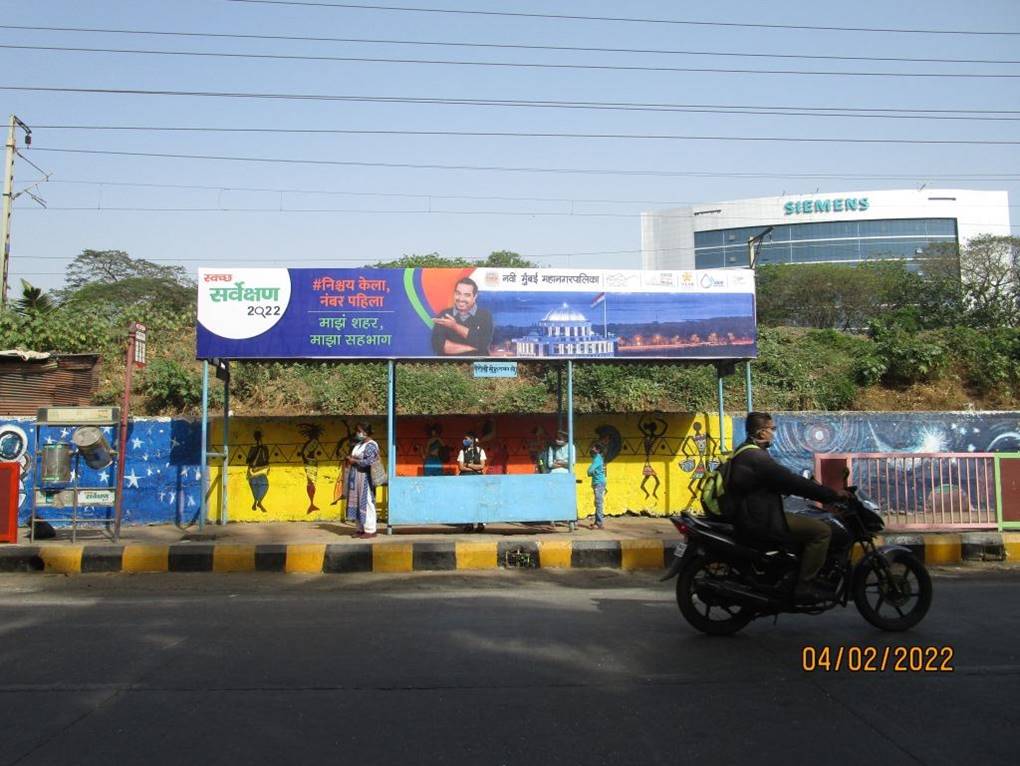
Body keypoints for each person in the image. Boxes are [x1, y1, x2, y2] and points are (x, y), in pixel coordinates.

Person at [726, 411, 852, 604]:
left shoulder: (745, 452)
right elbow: (790, 481)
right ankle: (804, 586)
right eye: (772, 429)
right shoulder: (756, 458)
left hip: (756, 513)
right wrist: (831, 495)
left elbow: (778, 482)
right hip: (762, 519)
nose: (774, 433)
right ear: (761, 433)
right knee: (822, 531)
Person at [430, 277, 494, 356]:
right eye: (458, 293)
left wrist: (455, 326)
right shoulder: (444, 315)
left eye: (467, 295)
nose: (461, 298)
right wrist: (473, 348)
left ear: (475, 297)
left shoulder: (485, 316)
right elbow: (438, 346)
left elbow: (483, 343)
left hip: (476, 366)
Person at [343, 422, 382, 539]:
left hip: (366, 477)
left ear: (365, 432)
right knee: (357, 502)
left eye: (359, 431)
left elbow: (370, 461)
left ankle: (370, 530)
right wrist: (350, 459)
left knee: (367, 502)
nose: (357, 433)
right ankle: (360, 529)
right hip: (356, 476)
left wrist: (354, 461)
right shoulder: (359, 444)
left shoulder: (371, 445)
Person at [457, 432, 487, 531]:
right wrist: (474, 468)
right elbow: (461, 467)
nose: (464, 441)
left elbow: (482, 466)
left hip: (478, 479)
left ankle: (480, 523)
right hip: (466, 479)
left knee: (479, 501)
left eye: (467, 439)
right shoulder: (462, 452)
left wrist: (468, 465)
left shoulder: (481, 451)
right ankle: (468, 523)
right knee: (467, 501)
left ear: (473, 440)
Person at [587, 443, 607, 529]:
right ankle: (597, 522)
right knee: (597, 502)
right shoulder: (598, 458)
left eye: (594, 448)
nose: (592, 449)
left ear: (598, 450)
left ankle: (599, 523)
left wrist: (593, 472)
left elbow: (589, 471)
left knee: (598, 503)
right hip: (599, 482)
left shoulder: (597, 459)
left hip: (598, 483)